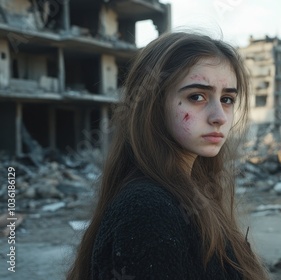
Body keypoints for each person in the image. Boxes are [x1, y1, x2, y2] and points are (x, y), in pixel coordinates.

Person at [66, 31, 269, 280]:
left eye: (227, 99)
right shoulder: (147, 210)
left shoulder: (191, 191)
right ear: (153, 104)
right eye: (197, 97)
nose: (220, 117)